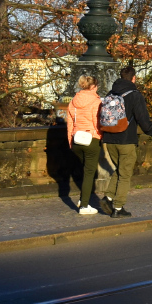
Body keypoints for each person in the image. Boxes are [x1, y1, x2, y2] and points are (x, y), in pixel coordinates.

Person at [100, 66, 152, 217]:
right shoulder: (135, 95)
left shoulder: (110, 93)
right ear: (133, 78)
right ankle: (118, 208)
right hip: (126, 140)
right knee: (125, 174)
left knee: (121, 169)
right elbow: (143, 120)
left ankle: (108, 198)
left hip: (109, 138)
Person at [67, 75, 103, 215]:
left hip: (77, 139)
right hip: (91, 139)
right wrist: (100, 136)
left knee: (85, 170)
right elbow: (96, 122)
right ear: (93, 86)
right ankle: (84, 206)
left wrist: (70, 141)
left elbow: (70, 124)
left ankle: (83, 199)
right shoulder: (96, 101)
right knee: (89, 173)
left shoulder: (73, 101)